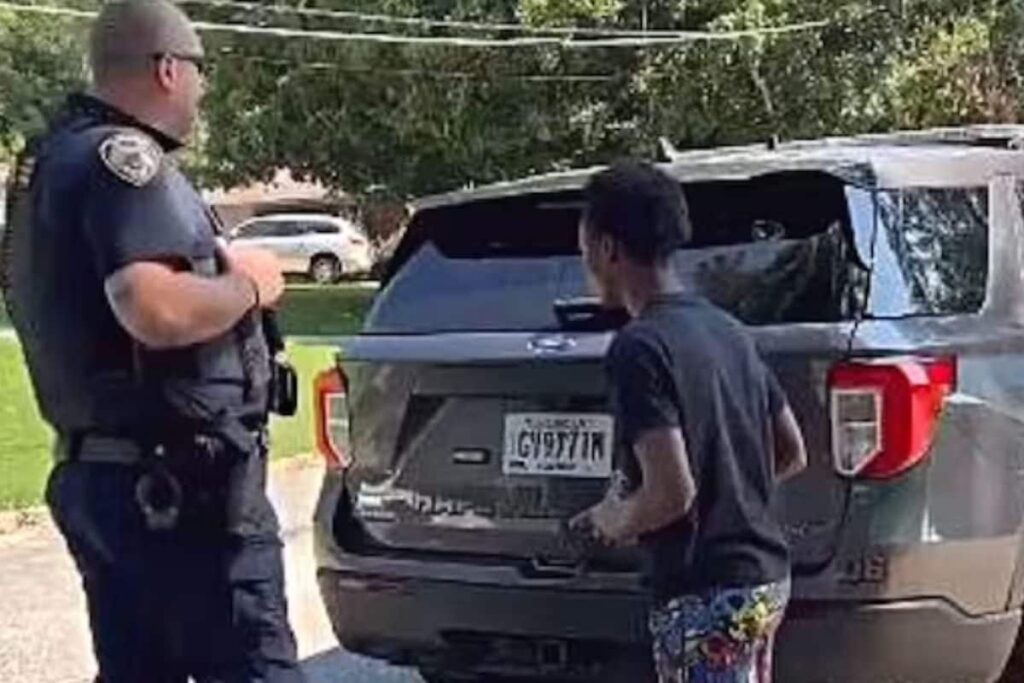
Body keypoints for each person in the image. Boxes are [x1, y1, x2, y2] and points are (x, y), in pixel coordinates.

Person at [0, 1, 305, 680]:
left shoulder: (53, 159)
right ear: (169, 69)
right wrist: (250, 284)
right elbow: (151, 304)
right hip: (180, 486)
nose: (202, 91)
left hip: (106, 473)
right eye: (199, 74)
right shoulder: (123, 159)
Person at [570, 161, 807, 683]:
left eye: (584, 249)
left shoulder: (638, 347)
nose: (584, 263)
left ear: (608, 248)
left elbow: (671, 493)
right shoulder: (727, 329)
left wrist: (615, 519)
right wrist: (732, 495)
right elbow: (791, 450)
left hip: (703, 594)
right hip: (764, 578)